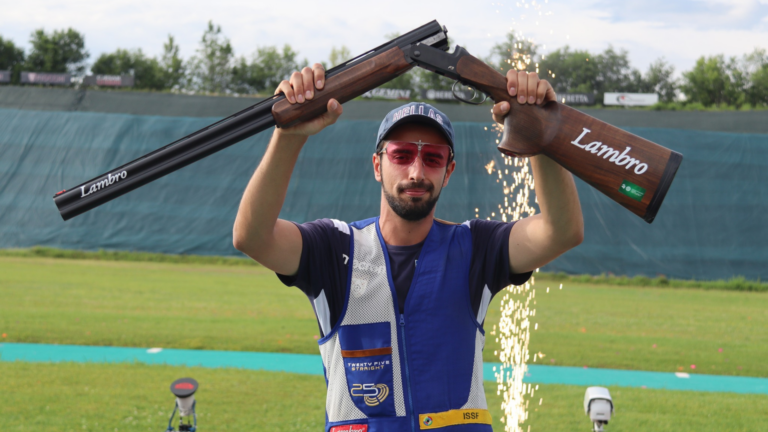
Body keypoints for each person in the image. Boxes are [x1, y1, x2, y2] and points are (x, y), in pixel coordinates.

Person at [233, 64, 584, 432]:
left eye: (432, 158)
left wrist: (541, 134)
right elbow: (252, 237)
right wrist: (288, 135)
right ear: (377, 165)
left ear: (448, 172)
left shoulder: (475, 246)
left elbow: (562, 231)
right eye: (401, 155)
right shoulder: (334, 248)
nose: (416, 172)